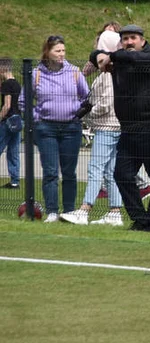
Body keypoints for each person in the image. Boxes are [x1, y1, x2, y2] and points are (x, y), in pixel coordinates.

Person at [92, 24, 150, 232]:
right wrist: (100, 56)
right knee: (122, 174)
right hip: (128, 129)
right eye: (125, 39)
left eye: (133, 38)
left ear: (142, 40)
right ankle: (140, 219)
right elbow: (94, 54)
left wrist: (112, 56)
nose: (129, 42)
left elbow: (136, 58)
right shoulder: (120, 58)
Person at [20, 35, 89, 222]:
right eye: (57, 51)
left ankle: (68, 211)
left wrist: (78, 114)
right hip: (46, 129)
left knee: (69, 172)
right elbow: (23, 101)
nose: (61, 54)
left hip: (71, 129)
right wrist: (37, 118)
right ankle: (51, 211)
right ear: (47, 52)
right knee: (50, 172)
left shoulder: (74, 72)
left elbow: (86, 97)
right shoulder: (36, 74)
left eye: (63, 51)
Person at [59, 62, 125, 226]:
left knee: (95, 168)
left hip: (107, 126)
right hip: (116, 125)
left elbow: (106, 104)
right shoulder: (115, 72)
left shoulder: (107, 75)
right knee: (110, 171)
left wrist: (88, 116)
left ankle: (85, 209)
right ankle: (115, 213)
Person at [0, 58, 21, 189]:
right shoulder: (17, 84)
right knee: (13, 151)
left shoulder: (6, 85)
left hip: (7, 121)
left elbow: (7, 105)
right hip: (17, 120)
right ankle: (15, 181)